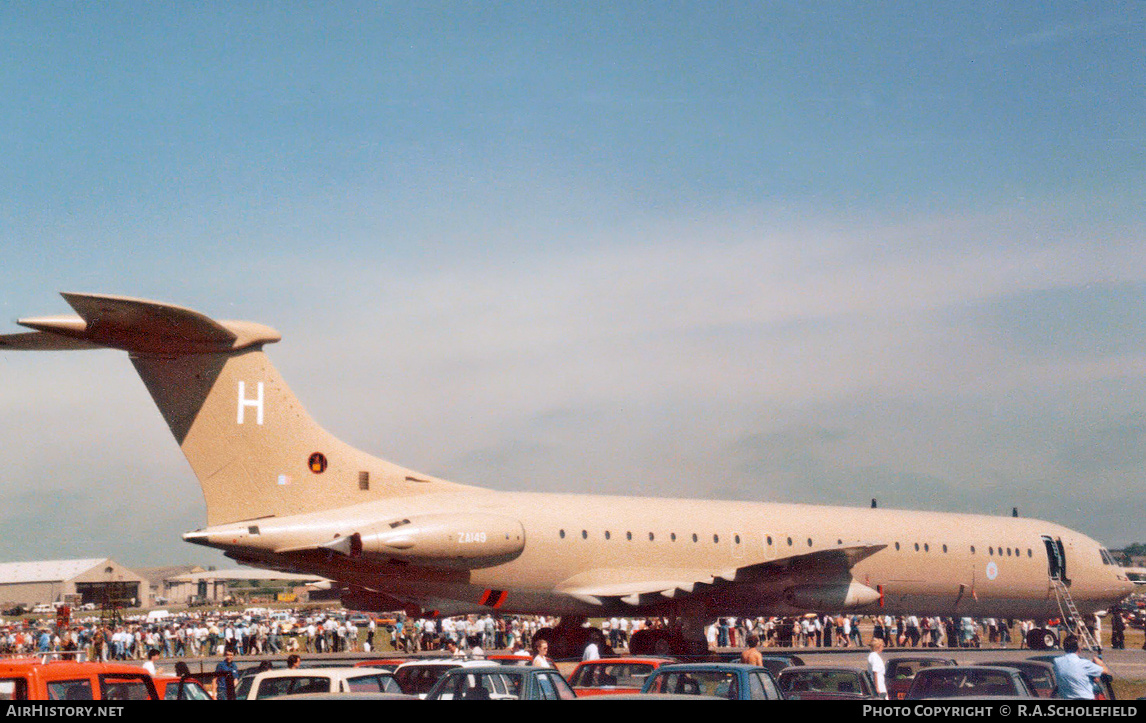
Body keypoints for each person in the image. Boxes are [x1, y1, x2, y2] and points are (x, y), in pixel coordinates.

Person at [1052, 635, 1111, 700]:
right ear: (1078, 648)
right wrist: (1099, 662)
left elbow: (1072, 671)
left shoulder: (1057, 662)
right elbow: (1105, 671)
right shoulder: (1084, 664)